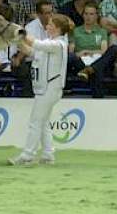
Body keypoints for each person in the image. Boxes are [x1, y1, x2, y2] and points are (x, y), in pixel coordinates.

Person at [9, 14, 73, 166]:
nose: (47, 26)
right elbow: (33, 52)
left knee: (35, 122)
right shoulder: (51, 43)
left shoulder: (58, 44)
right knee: (43, 122)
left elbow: (35, 43)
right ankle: (48, 154)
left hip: (50, 88)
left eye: (50, 25)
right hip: (44, 87)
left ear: (57, 28)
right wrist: (18, 42)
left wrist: (21, 32)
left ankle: (27, 155)